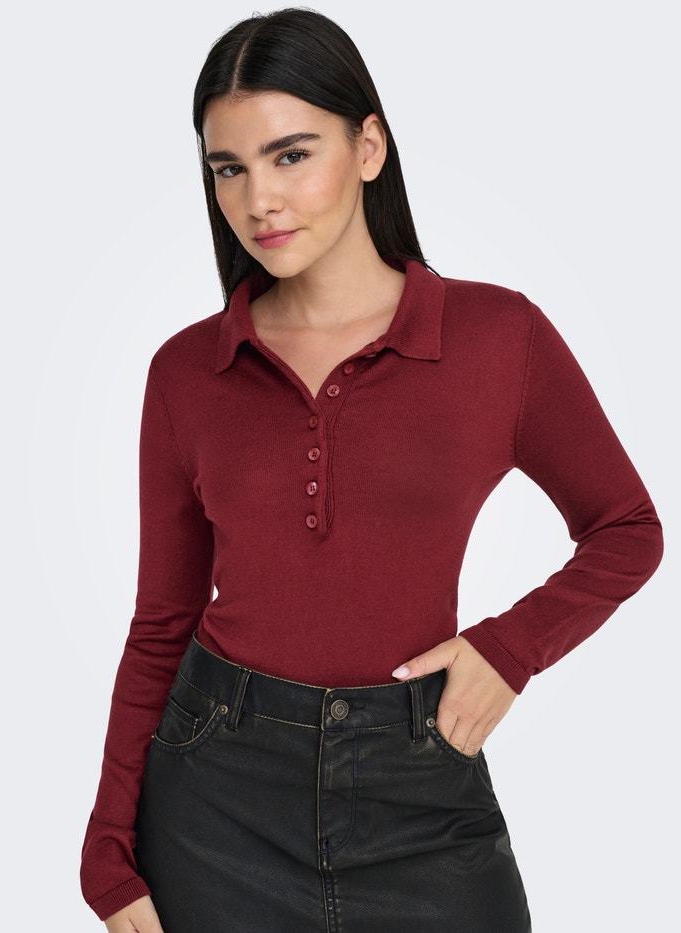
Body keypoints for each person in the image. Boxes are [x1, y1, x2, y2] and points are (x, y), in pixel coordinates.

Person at [80, 8, 663, 932]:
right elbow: (162, 621)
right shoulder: (187, 372)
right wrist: (108, 847)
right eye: (228, 168)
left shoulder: (497, 339)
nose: (258, 199)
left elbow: (627, 527)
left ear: (368, 147)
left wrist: (510, 650)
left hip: (422, 791)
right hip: (214, 797)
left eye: (290, 155)